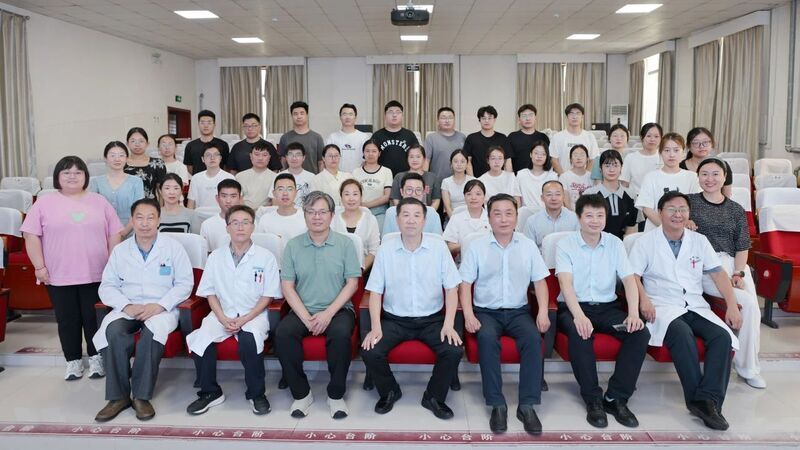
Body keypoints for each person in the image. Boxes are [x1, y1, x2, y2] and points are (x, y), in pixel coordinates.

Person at [630, 191, 742, 431]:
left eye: (682, 209)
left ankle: (706, 400)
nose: (677, 214)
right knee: (682, 334)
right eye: (671, 209)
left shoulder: (699, 241)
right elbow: (633, 277)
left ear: (689, 213)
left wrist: (732, 305)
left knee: (722, 337)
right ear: (660, 213)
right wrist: (644, 301)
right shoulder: (645, 242)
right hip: (662, 306)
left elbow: (718, 274)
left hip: (695, 304)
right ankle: (701, 402)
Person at [21, 156, 123, 380]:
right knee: (67, 320)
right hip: (58, 274)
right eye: (66, 172)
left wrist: (112, 265)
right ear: (57, 177)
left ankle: (97, 359)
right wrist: (39, 267)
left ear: (86, 176)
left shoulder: (99, 201)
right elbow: (31, 236)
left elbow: (114, 234)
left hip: (97, 273)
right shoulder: (44, 203)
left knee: (93, 319)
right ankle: (73, 361)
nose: (72, 176)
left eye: (78, 172)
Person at [361, 197, 463, 420]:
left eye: (417, 215)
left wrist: (448, 324)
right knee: (370, 350)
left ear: (424, 221)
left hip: (432, 319)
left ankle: (433, 396)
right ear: (397, 220)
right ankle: (390, 391)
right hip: (394, 320)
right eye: (405, 215)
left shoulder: (438, 248)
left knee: (454, 349)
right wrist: (376, 327)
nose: (411, 220)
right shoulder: (386, 249)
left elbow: (452, 289)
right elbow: (375, 292)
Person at [92, 198, 193, 422]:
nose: (145, 223)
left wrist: (160, 305)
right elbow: (107, 286)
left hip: (162, 308)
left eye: (150, 218)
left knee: (151, 335)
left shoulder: (173, 248)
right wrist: (126, 306)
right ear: (132, 220)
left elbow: (185, 284)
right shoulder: (120, 250)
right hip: (128, 306)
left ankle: (141, 396)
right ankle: (118, 397)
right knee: (113, 332)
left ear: (159, 221)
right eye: (139, 218)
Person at [459, 193, 550, 434]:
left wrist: (542, 312)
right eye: (497, 214)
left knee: (533, 339)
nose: (503, 219)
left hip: (519, 312)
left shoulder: (527, 245)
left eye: (509, 213)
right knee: (487, 339)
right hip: (486, 312)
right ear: (489, 218)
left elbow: (540, 281)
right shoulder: (477, 246)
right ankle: (497, 404)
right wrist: (468, 315)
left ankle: (527, 405)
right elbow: (465, 284)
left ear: (516, 217)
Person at [556, 194, 649, 429]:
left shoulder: (615, 243)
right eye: (589, 215)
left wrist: (633, 313)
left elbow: (628, 280)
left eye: (600, 215)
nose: (595, 220)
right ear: (579, 218)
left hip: (608, 308)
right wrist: (579, 316)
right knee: (580, 333)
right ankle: (593, 399)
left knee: (639, 333)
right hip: (574, 307)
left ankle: (616, 397)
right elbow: (565, 284)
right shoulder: (565, 244)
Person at [185, 205, 281, 416]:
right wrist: (221, 317)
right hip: (222, 312)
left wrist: (245, 318)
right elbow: (209, 292)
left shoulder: (266, 257)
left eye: (245, 222)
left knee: (249, 341)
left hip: (254, 314)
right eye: (235, 223)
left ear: (253, 227)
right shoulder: (215, 257)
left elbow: (268, 295)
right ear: (227, 227)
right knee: (201, 340)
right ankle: (210, 392)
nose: (240, 227)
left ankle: (257, 394)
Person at [275, 191, 361, 419]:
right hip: (303, 309)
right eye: (311, 212)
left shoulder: (345, 244)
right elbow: (287, 286)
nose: (317, 217)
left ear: (332, 215)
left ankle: (336, 395)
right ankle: (301, 394)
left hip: (338, 309)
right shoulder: (293, 245)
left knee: (340, 335)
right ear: (304, 215)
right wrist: (306, 317)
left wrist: (328, 314)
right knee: (283, 334)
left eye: (322, 212)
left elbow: (352, 284)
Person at [688, 158, 764, 388]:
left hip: (734, 264)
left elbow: (742, 246)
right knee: (747, 304)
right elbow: (673, 224)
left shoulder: (736, 209)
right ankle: (747, 367)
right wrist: (685, 223)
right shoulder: (689, 203)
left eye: (715, 174)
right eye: (704, 174)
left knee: (753, 310)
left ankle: (748, 365)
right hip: (705, 267)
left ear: (724, 178)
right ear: (698, 177)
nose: (710, 179)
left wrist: (739, 273)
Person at [636, 133, 701, 231]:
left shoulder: (692, 177)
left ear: (683, 152)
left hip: (683, 232)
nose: (671, 155)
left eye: (676, 150)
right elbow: (647, 209)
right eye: (667, 150)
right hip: (655, 230)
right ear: (660, 152)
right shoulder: (651, 177)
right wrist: (668, 228)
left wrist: (680, 226)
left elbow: (695, 206)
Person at [89, 141, 145, 238]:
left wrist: (123, 233)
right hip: (103, 233)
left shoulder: (136, 182)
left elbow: (139, 211)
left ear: (127, 158)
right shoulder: (96, 182)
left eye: (121, 155)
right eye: (112, 155)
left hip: (131, 233)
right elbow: (93, 211)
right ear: (105, 159)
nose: (117, 159)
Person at [583, 150, 637, 239]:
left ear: (621, 168)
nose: (611, 170)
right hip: (595, 242)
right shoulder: (589, 194)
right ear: (600, 168)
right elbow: (585, 225)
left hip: (622, 244)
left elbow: (631, 226)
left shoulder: (631, 195)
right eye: (607, 166)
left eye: (615, 165)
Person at [332, 179, 380, 271]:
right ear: (341, 198)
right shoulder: (333, 219)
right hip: (337, 270)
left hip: (363, 270)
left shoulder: (371, 220)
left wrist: (359, 271)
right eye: (347, 194)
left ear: (361, 197)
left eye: (355, 194)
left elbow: (374, 251)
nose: (351, 198)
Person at [523, 180, 579, 248]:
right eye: (549, 194)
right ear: (542, 198)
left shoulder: (575, 219)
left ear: (563, 196)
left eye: (558, 194)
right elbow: (528, 249)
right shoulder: (532, 221)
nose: (554, 198)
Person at [351, 139, 393, 230]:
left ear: (379, 153)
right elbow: (352, 193)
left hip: (380, 212)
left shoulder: (386, 171)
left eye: (374, 151)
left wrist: (367, 205)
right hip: (359, 211)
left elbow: (387, 196)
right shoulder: (356, 172)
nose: (370, 154)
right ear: (363, 153)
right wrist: (362, 206)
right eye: (367, 151)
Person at [548, 104, 600, 174]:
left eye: (578, 113)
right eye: (571, 113)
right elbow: (554, 160)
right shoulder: (557, 137)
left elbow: (593, 159)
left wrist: (585, 177)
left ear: (582, 117)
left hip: (584, 179)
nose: (574, 117)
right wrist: (563, 177)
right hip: (562, 177)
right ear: (567, 117)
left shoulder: (590, 137)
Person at [681, 127, 733, 198]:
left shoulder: (723, 166)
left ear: (712, 144)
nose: (701, 146)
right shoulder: (680, 167)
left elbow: (726, 197)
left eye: (705, 142)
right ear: (688, 146)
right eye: (696, 143)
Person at [372, 100, 420, 176]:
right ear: (385, 115)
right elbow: (371, 157)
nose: (394, 115)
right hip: (382, 177)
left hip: (405, 177)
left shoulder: (410, 135)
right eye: (390, 112)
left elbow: (418, 156)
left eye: (398, 112)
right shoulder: (377, 136)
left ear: (402, 116)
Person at [443, 179, 490, 253]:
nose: (473, 197)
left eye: (478, 194)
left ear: (484, 197)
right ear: (464, 197)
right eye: (469, 194)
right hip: (463, 258)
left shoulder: (492, 218)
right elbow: (450, 246)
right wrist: (468, 245)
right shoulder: (456, 218)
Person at [256, 174, 307, 241]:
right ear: (274, 193)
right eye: (280, 189)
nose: (285, 193)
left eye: (290, 189)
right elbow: (260, 243)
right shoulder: (265, 219)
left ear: (295, 193)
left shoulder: (306, 218)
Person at [463, 105, 510, 177]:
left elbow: (507, 161)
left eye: (489, 118)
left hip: (498, 179)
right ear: (479, 120)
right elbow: (467, 161)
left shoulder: (502, 138)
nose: (486, 121)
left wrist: (508, 178)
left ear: (494, 119)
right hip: (477, 179)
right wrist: (472, 180)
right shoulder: (471, 138)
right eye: (483, 118)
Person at [389, 144, 441, 209]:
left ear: (424, 159)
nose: (414, 160)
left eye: (418, 157)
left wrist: (428, 213)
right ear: (407, 159)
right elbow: (396, 200)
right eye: (411, 157)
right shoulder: (399, 177)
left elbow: (436, 200)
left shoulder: (432, 177)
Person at [279, 101, 325, 173]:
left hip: (312, 178)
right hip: (290, 178)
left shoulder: (317, 138)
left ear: (307, 115)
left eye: (302, 113)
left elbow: (321, 162)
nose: (299, 116)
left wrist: (320, 178)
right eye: (295, 114)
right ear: (291, 116)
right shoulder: (285, 138)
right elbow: (283, 161)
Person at [620, 122, 663, 199]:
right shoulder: (630, 157)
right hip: (634, 198)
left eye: (656, 136)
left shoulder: (664, 157)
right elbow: (624, 183)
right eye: (648, 136)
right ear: (642, 138)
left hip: (659, 198)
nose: (652, 139)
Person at [424, 107, 467, 182]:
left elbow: (467, 161)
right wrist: (425, 180)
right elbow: (426, 161)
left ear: (454, 120)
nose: (447, 121)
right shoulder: (431, 138)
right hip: (437, 182)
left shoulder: (462, 137)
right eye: (443, 118)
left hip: (459, 181)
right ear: (438, 121)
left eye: (450, 118)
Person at [186, 145, 235, 209]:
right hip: (200, 214)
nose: (212, 158)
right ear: (203, 159)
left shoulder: (229, 177)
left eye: (216, 154)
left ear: (220, 158)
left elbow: (236, 202)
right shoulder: (196, 178)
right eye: (208, 155)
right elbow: (191, 203)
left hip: (223, 214)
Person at [200, 179, 243, 252]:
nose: (228, 201)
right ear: (217, 198)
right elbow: (206, 253)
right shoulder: (207, 225)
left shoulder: (250, 222)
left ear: (240, 198)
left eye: (233, 196)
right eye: (224, 196)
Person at [326, 103, 370, 173]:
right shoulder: (332, 137)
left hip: (359, 176)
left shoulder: (364, 137)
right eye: (344, 114)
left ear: (355, 117)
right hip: (337, 176)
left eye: (350, 114)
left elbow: (369, 158)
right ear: (340, 117)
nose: (347, 117)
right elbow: (328, 159)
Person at [124, 127, 166, 199]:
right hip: (127, 204)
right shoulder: (121, 164)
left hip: (151, 204)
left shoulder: (158, 163)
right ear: (127, 144)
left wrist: (162, 206)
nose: (137, 144)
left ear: (147, 143)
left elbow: (161, 191)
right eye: (133, 141)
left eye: (141, 141)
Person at [183, 110, 230, 174]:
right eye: (202, 122)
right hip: (198, 179)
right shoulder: (190, 145)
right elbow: (189, 167)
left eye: (209, 122)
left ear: (214, 125)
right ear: (198, 124)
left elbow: (226, 166)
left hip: (219, 179)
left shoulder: (223, 145)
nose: (206, 126)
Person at [508, 104, 551, 173]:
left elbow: (548, 160)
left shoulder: (543, 137)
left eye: (531, 115)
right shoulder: (512, 137)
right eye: (524, 116)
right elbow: (508, 161)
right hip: (517, 177)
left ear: (535, 118)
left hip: (539, 176)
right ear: (519, 119)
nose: (527, 118)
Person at [235, 140, 277, 209]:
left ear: (269, 158)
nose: (260, 158)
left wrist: (260, 211)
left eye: (264, 155)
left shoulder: (275, 177)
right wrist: (248, 212)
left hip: (266, 213)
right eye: (257, 154)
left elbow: (274, 201)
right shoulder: (239, 176)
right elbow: (238, 199)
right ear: (251, 156)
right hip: (244, 212)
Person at [271, 142, 315, 208]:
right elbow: (274, 200)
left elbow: (315, 200)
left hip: (305, 213)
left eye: (298, 155)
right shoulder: (278, 176)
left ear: (303, 157)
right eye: (290, 154)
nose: (294, 158)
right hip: (284, 213)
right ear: (286, 157)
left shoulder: (312, 177)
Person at [517, 141, 558, 209]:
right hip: (525, 213)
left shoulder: (552, 176)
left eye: (543, 154)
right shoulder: (521, 174)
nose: (539, 156)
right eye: (536, 153)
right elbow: (517, 198)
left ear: (547, 157)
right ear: (530, 154)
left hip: (546, 213)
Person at [440, 149, 475, 218]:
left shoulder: (473, 181)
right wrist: (455, 221)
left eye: (462, 161)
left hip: (471, 217)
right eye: (456, 161)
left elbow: (476, 204)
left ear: (467, 164)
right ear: (451, 164)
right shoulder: (446, 182)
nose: (459, 164)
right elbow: (447, 207)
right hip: (452, 217)